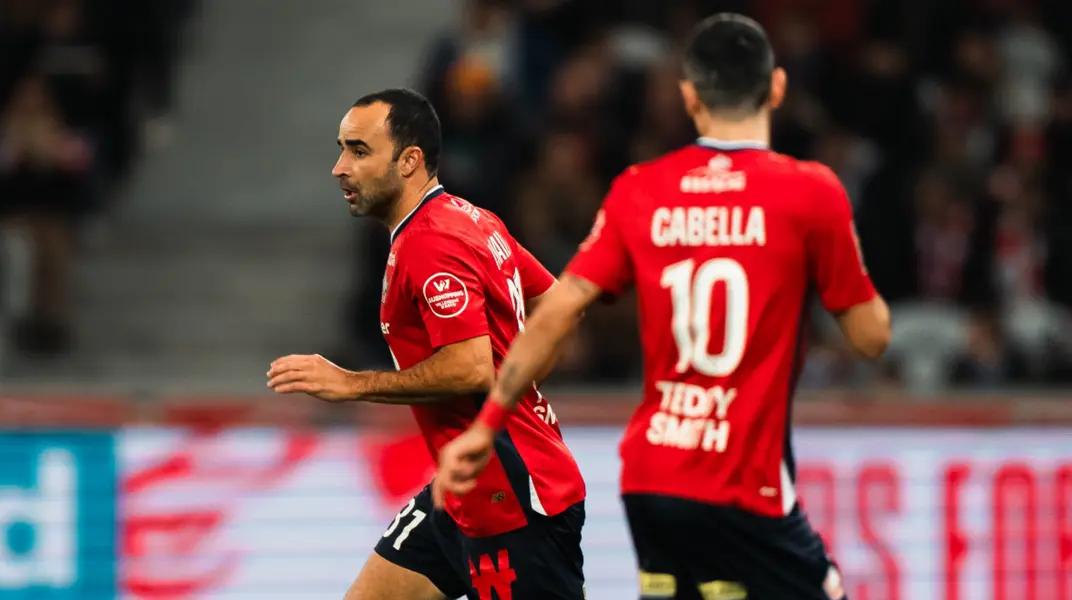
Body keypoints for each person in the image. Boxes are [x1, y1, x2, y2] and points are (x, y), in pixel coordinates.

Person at [434, 14, 892, 600]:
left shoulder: (640, 189)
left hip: (653, 478)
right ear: (776, 87)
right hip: (744, 485)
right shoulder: (810, 192)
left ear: (689, 95)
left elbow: (559, 309)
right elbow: (870, 338)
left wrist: (488, 423)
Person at [267, 89, 586, 600]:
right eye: (341, 149)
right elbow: (559, 303)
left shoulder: (430, 242)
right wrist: (519, 375)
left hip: (512, 496)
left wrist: (352, 385)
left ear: (409, 160)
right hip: (463, 488)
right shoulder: (470, 217)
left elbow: (469, 369)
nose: (339, 168)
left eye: (359, 151)